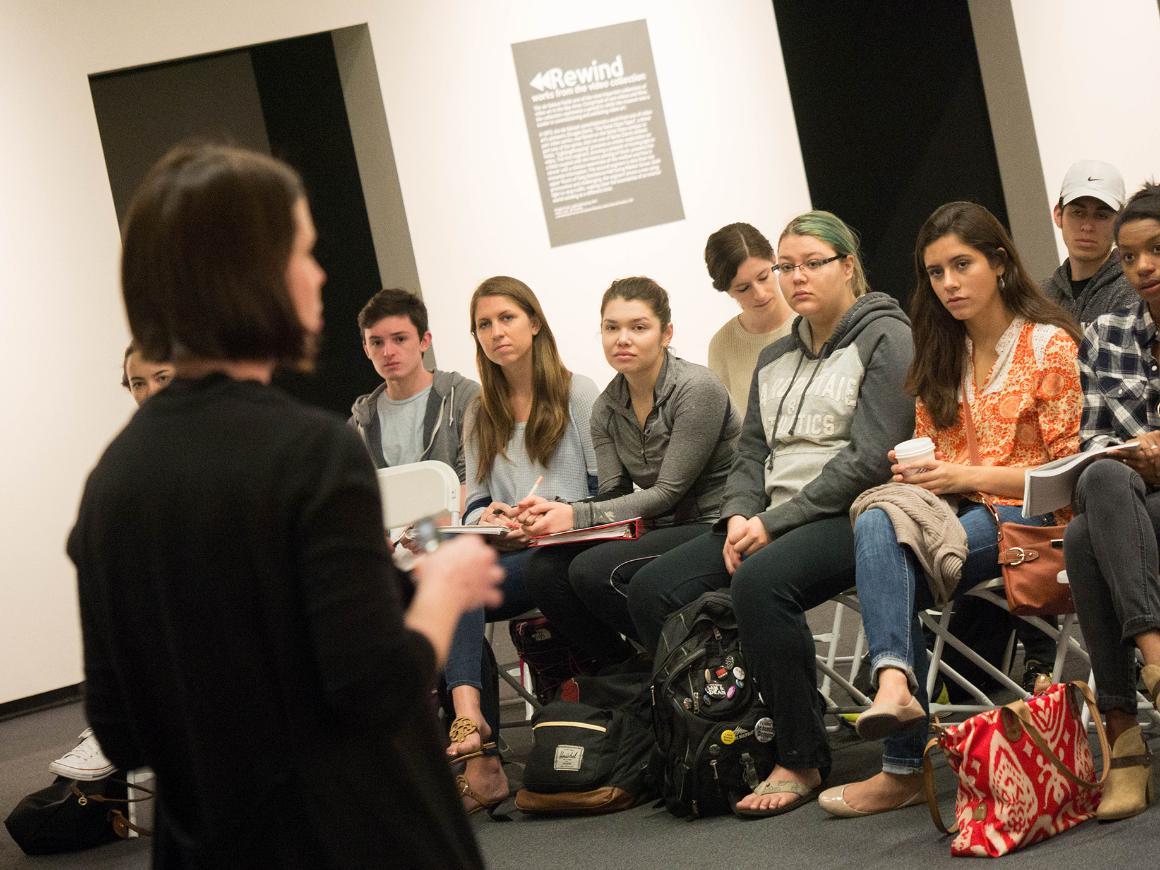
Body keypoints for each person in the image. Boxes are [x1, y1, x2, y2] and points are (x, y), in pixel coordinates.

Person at [68, 143, 503, 868]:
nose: (319, 274)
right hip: (351, 834)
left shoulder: (111, 484)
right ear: (254, 277)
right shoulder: (311, 455)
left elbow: (121, 734)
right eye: (303, 251)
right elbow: (374, 686)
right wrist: (443, 592)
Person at [628, 211, 915, 816]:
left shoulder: (886, 335)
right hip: (766, 518)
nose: (795, 278)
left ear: (848, 265)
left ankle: (800, 756)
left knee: (759, 582)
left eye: (812, 263)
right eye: (787, 266)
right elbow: (751, 452)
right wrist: (737, 515)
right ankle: (729, 731)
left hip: (853, 515)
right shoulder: (774, 357)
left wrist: (772, 524)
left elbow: (870, 457)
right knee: (652, 589)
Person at [829, 201, 1082, 819]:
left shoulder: (1045, 346)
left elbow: (1067, 473)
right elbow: (935, 473)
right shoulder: (943, 354)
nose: (948, 283)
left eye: (961, 265)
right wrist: (922, 476)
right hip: (951, 520)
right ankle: (897, 690)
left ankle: (901, 750)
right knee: (881, 519)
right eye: (936, 272)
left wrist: (962, 474)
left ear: (999, 263)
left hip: (1028, 524)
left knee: (885, 537)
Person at [517, 277, 741, 666]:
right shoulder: (606, 406)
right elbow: (613, 491)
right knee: (544, 571)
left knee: (592, 571)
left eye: (638, 327)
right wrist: (554, 513)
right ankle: (628, 669)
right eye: (611, 327)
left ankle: (691, 659)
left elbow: (667, 493)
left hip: (717, 523)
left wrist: (574, 515)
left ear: (666, 333)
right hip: (662, 527)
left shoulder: (696, 388)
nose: (623, 339)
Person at [443, 275, 599, 813]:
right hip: (511, 552)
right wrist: (486, 515)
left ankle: (478, 750)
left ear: (534, 323)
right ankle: (476, 737)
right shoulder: (479, 411)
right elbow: (474, 503)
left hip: (569, 546)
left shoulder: (577, 393)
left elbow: (610, 491)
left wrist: (554, 513)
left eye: (506, 318)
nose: (495, 332)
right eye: (483, 324)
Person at [1065, 181, 1160, 822]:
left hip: (1139, 508)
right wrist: (1133, 454)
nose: (1142, 267)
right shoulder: (1105, 332)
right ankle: (1156, 659)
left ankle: (1125, 737)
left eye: (1156, 251)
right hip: (1137, 497)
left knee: (1083, 539)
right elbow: (1093, 433)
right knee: (1098, 481)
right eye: (1128, 258)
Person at [48, 344, 175, 783]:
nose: (147, 392)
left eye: (162, 378)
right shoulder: (132, 457)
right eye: (138, 383)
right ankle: (119, 722)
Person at [348, 287, 478, 489]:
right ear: (366, 349)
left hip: (455, 519)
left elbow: (473, 483)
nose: (388, 352)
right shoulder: (360, 422)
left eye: (399, 339)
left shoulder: (463, 396)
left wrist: (426, 522)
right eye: (377, 342)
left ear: (424, 341)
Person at [704, 222, 795, 414]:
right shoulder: (722, 346)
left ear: (774, 260)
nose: (760, 294)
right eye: (743, 288)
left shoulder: (812, 317)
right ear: (727, 291)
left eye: (763, 277)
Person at [1042, 159, 1135, 325]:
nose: (1087, 226)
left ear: (1121, 222)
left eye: (1101, 215)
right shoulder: (1042, 296)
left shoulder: (1134, 287)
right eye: (1078, 212)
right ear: (1058, 215)